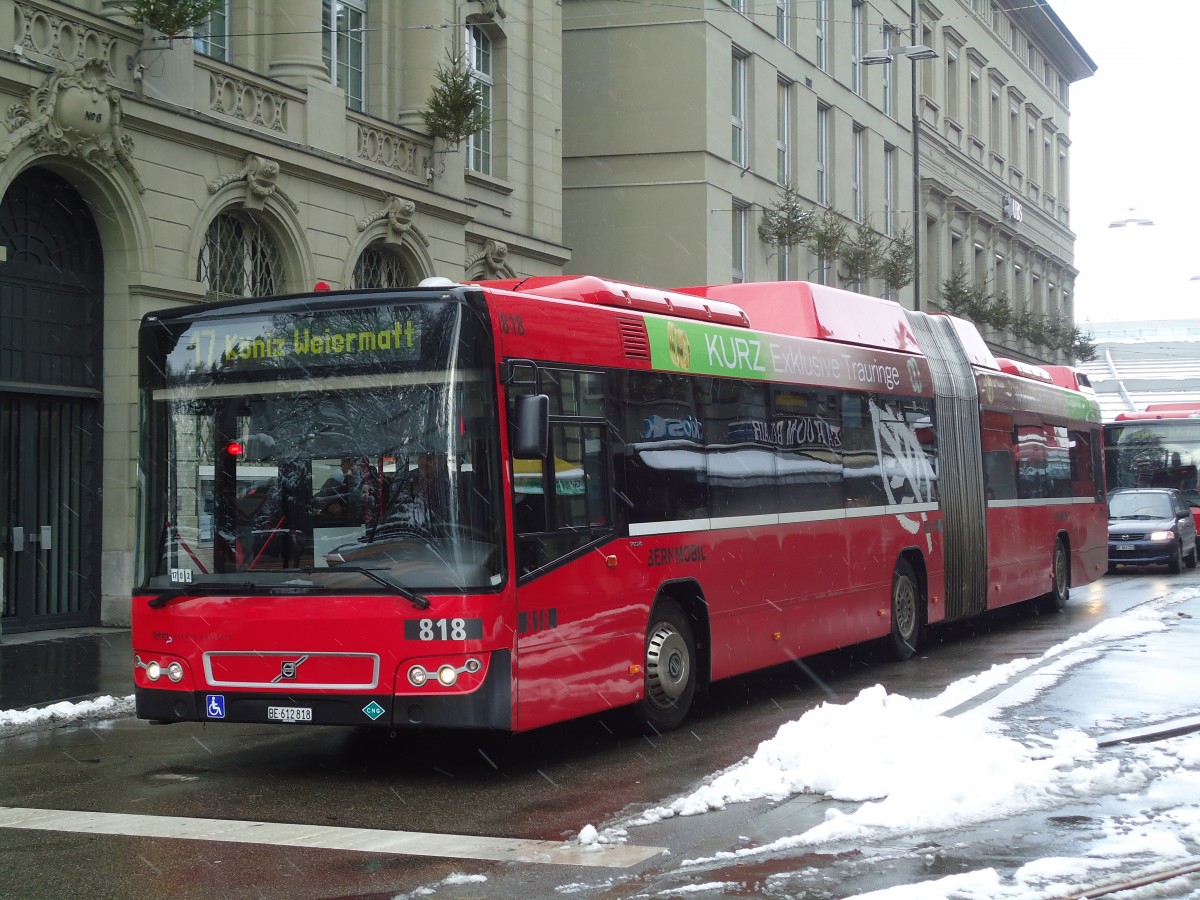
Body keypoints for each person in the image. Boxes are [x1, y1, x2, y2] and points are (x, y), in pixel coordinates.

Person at [380, 451, 449, 531]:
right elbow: (395, 513)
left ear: (443, 460)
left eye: (430, 457)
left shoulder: (452, 486)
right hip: (406, 536)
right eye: (422, 456)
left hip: (440, 539)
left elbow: (447, 518)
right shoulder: (404, 481)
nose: (425, 461)